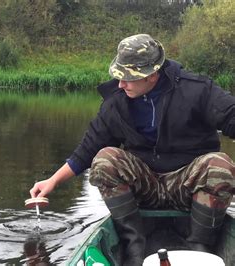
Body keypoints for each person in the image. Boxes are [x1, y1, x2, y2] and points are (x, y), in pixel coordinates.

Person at [29, 33, 235, 266]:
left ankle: (199, 245)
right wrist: (52, 182)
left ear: (152, 74)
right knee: (105, 160)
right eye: (119, 76)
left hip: (187, 185)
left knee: (220, 165)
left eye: (128, 77)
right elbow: (88, 149)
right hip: (145, 185)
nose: (121, 84)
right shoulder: (116, 101)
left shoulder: (197, 90)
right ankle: (133, 242)